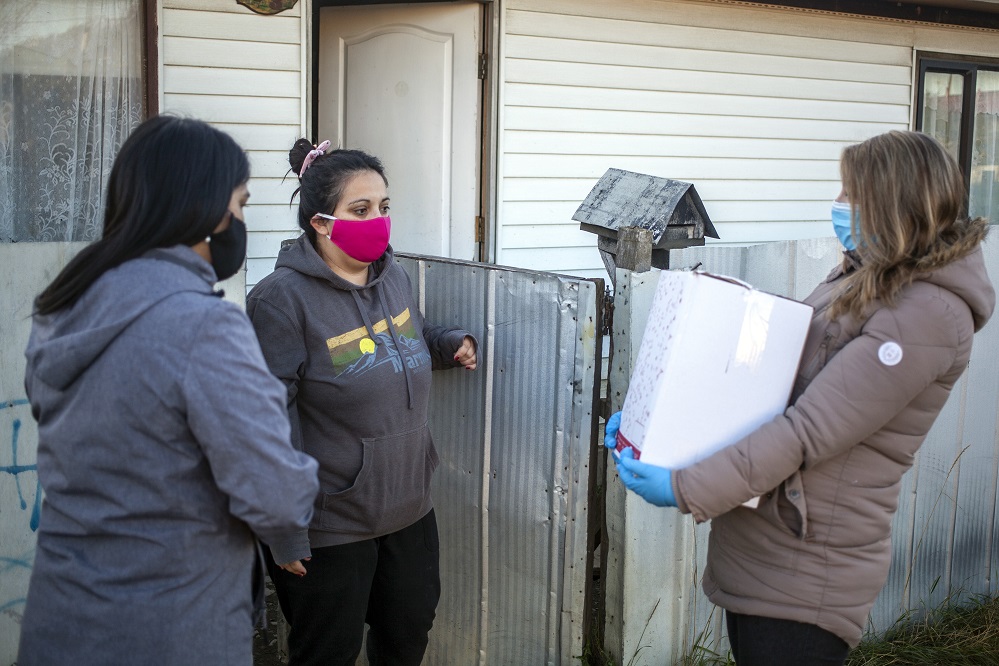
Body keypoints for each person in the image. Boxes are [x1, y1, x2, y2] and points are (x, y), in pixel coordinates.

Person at [605, 130, 995, 666]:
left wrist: (686, 486)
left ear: (896, 202)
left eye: (852, 195)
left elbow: (808, 429)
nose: (840, 206)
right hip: (768, 546)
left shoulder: (924, 313)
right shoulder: (862, 278)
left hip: (808, 565)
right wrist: (656, 422)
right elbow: (773, 382)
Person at [17, 116, 320, 665]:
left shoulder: (63, 308)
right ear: (202, 211)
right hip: (171, 626)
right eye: (240, 205)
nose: (239, 221)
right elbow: (276, 494)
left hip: (63, 615)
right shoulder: (204, 327)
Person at [247, 139, 478, 666]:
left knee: (407, 637)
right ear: (322, 224)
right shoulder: (280, 301)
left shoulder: (392, 276)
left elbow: (399, 342)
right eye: (361, 209)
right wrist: (284, 529)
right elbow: (264, 423)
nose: (378, 219)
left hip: (409, 506)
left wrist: (446, 345)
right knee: (327, 652)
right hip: (330, 525)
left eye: (383, 207)